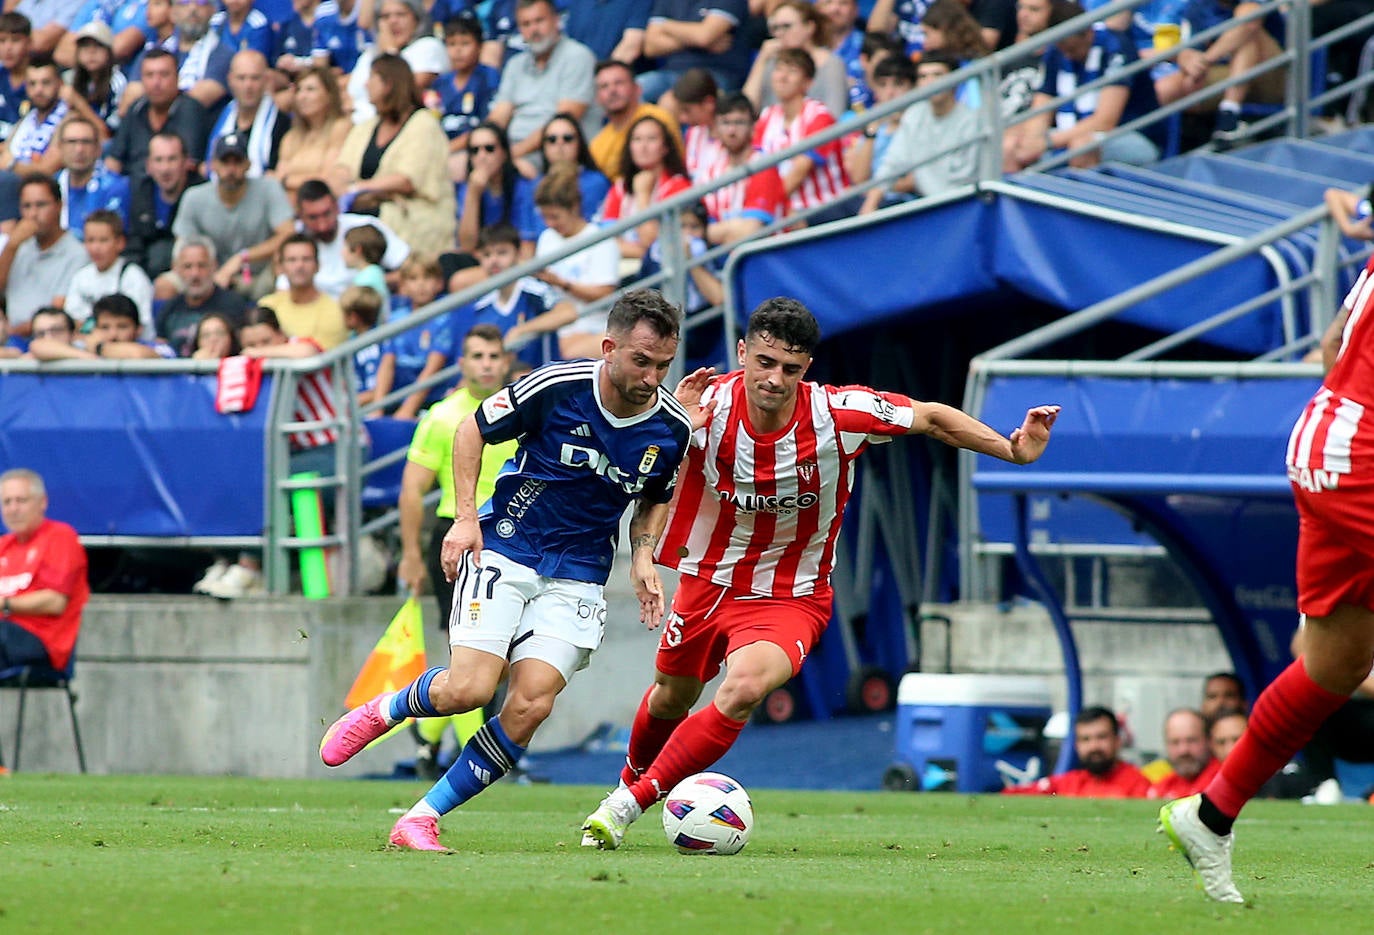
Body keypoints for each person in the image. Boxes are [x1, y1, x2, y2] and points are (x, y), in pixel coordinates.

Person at [580, 297, 1061, 847]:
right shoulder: (701, 406)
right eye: (763, 362)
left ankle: (626, 804)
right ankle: (627, 781)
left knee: (743, 688)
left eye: (790, 368)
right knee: (670, 697)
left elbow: (930, 416)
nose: (774, 379)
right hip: (709, 583)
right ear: (742, 353)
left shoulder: (837, 414)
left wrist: (1012, 448)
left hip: (792, 595)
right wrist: (644, 545)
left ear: (806, 369)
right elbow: (641, 466)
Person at [319, 288, 694, 853]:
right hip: (508, 545)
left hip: (580, 573)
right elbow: (473, 429)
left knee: (530, 703)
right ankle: (390, 707)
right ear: (609, 347)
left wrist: (642, 551)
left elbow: (655, 495)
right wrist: (465, 520)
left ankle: (420, 818)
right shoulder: (557, 386)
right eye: (641, 360)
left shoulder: (671, 427)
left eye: (662, 364)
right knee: (469, 689)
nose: (651, 376)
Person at [1158, 249, 1374, 904]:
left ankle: (1210, 813)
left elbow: (1333, 341)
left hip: (1325, 430)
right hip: (1361, 450)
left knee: (1336, 662)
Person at [396, 321, 514, 777]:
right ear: (462, 364)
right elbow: (411, 490)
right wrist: (409, 553)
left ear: (505, 361)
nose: (486, 364)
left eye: (493, 356)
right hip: (458, 538)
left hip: (512, 538)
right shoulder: (443, 416)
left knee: (500, 661)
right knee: (471, 654)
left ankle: (426, 737)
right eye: (477, 356)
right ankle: (476, 759)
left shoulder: (521, 411)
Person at [203, 304, 343, 598]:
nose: (259, 350)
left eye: (266, 341)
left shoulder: (298, 346)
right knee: (227, 476)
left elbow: (308, 354)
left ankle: (249, 567)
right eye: (251, 344)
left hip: (333, 448)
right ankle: (226, 560)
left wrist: (257, 354)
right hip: (290, 453)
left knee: (263, 482)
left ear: (280, 334)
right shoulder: (249, 364)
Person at [1011, 0, 1163, 170]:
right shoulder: (1056, 51)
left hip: (1133, 136)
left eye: (1073, 49)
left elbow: (1105, 122)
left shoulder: (1116, 47)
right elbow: (1042, 106)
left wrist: (1046, 142)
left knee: (1082, 147)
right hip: (1072, 133)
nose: (1067, 56)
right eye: (1064, 50)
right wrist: (1032, 139)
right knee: (1011, 144)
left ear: (1088, 34)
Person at [332, 53, 456, 254]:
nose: (365, 85)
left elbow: (406, 180)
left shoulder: (423, 125)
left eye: (371, 78)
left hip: (413, 216)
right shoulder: (365, 127)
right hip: (365, 213)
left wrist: (357, 188)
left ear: (389, 84)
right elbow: (341, 168)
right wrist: (344, 186)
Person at [173, 132, 296, 296]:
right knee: (166, 285)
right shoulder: (194, 197)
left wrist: (242, 257)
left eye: (237, 162)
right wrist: (209, 272)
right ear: (213, 165)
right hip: (209, 274)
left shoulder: (269, 189)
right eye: (225, 162)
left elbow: (288, 235)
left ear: (248, 164)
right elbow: (183, 245)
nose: (231, 170)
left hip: (258, 274)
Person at [859, 52, 981, 214]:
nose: (930, 82)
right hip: (920, 203)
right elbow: (893, 162)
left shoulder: (971, 121)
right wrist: (872, 201)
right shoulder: (915, 113)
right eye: (923, 77)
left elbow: (962, 183)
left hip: (957, 209)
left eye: (937, 75)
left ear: (954, 80)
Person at [0, 468, 89, 678]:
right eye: (7, 502)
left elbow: (55, 602)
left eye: (21, 501)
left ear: (42, 502)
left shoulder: (59, 537)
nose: (13, 509)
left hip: (42, 642)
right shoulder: (4, 546)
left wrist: (5, 603)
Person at [485, 0, 595, 166]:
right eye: (526, 24)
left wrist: (509, 157)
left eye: (539, 21)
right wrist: (486, 147)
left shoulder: (577, 56)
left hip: (552, 150)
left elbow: (564, 121)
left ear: (556, 20)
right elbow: (499, 117)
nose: (533, 30)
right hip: (511, 150)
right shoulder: (515, 64)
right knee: (456, 164)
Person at [532, 163, 619, 359]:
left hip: (592, 326)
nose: (550, 223)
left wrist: (562, 283)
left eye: (555, 216)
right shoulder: (547, 238)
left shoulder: (600, 240)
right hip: (555, 321)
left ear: (573, 207)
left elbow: (604, 293)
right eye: (545, 217)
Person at [751, 48, 849, 217]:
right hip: (782, 210)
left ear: (808, 83)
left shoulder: (820, 117)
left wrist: (769, 207)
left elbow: (798, 173)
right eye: (779, 69)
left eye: (792, 71)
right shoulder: (767, 116)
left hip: (823, 207)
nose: (783, 77)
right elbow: (759, 168)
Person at [1173, 0, 1287, 143]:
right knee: (1174, 84)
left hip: (1273, 77)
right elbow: (1194, 50)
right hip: (1229, 74)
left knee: (1248, 33)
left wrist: (1206, 60)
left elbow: (1249, 24)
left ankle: (1228, 115)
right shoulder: (1198, 6)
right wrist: (1187, 60)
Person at [464, 221, 574, 369]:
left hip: (543, 382)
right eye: (487, 255)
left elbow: (569, 313)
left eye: (502, 252)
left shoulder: (535, 291)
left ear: (518, 253)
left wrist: (522, 330)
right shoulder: (481, 306)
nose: (494, 260)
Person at [105, 48, 210, 187]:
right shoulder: (136, 109)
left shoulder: (191, 110)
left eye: (164, 75)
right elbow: (113, 161)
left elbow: (188, 165)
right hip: (134, 191)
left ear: (178, 78)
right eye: (150, 75)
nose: (156, 82)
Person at [289, 179, 410, 298]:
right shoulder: (293, 240)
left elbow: (410, 267)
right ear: (300, 216)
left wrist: (371, 282)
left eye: (327, 214)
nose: (322, 226)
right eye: (313, 217)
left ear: (337, 207)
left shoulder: (364, 227)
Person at [0, 174, 87, 336]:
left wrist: (11, 332)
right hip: (12, 340)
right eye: (27, 206)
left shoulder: (76, 253)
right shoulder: (18, 246)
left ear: (59, 206)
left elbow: (57, 310)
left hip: (49, 338)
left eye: (41, 205)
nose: (33, 214)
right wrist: (11, 247)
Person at [598, 114, 691, 262]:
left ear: (665, 147)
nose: (643, 146)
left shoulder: (679, 187)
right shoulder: (620, 187)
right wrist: (640, 252)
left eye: (652, 139)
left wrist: (643, 195)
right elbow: (604, 240)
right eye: (637, 139)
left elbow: (653, 242)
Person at [697, 93, 786, 247]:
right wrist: (726, 230)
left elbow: (751, 231)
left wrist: (710, 233)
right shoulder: (709, 174)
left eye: (739, 122)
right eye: (725, 123)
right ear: (716, 128)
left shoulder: (763, 166)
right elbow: (696, 229)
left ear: (753, 126)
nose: (732, 131)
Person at [1002, 706, 1151, 797]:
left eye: (1101, 737)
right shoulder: (1068, 783)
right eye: (1085, 739)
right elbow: (1011, 796)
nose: (1094, 746)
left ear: (1117, 741)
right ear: (1076, 745)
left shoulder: (1139, 784)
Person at [372, 252, 450, 418]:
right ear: (404, 285)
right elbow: (387, 364)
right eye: (413, 279)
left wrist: (408, 409)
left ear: (439, 283)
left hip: (432, 401)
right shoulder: (396, 318)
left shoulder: (444, 318)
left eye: (427, 278)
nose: (421, 285)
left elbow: (432, 368)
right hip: (397, 397)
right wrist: (377, 408)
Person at [742, 0, 849, 121]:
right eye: (775, 28)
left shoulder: (832, 64)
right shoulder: (772, 61)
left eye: (786, 26)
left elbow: (834, 114)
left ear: (809, 27)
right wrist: (762, 59)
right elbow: (745, 109)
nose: (780, 33)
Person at [347, 0, 447, 125]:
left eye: (401, 14)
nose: (393, 21)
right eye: (385, 16)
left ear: (416, 18)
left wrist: (389, 51)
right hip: (358, 126)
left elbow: (401, 91)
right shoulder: (369, 54)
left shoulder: (428, 46)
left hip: (400, 126)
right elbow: (350, 94)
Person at [429, 14, 500, 184]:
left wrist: (448, 149)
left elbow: (488, 124)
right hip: (440, 148)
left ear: (480, 47)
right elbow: (431, 120)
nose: (458, 50)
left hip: (473, 149)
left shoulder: (489, 78)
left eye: (465, 43)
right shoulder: (439, 84)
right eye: (452, 44)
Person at [638, 0, 750, 105]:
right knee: (631, 91)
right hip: (671, 73)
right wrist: (696, 38)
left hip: (714, 74)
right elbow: (650, 48)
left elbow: (704, 36)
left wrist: (664, 25)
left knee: (670, 102)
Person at [125, 130, 202, 281]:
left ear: (186, 162)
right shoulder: (140, 192)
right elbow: (134, 244)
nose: (165, 168)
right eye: (158, 160)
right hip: (145, 274)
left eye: (172, 159)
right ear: (148, 165)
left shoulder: (199, 193)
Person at [587, 58, 681, 182]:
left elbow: (677, 165)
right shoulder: (597, 146)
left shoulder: (658, 118)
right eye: (604, 86)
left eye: (619, 83)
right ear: (598, 97)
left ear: (637, 88)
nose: (612, 90)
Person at [64, 210, 156, 335]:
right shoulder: (80, 277)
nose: (96, 248)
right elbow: (71, 321)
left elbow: (140, 326)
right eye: (90, 240)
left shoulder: (133, 277)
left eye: (103, 240)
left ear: (120, 243)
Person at [156, 235, 251, 356]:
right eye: (187, 266)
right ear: (175, 268)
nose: (195, 274)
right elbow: (161, 352)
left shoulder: (234, 305)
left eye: (201, 266)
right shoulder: (168, 309)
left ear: (214, 266)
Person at [272, 64, 350, 200]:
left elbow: (328, 180)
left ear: (329, 95)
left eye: (310, 89)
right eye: (299, 90)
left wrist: (286, 181)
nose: (302, 96)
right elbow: (277, 181)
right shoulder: (291, 137)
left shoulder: (340, 127)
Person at [206, 50, 289, 178]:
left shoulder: (282, 124)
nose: (248, 85)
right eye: (241, 78)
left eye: (254, 78)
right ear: (230, 80)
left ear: (266, 80)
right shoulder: (216, 118)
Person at [258, 233, 348, 348]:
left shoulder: (334, 310)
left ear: (318, 265)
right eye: (292, 260)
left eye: (306, 259)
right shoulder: (267, 305)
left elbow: (319, 358)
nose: (299, 265)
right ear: (280, 267)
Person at [525, 112, 609, 233]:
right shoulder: (534, 185)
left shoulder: (596, 182)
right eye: (552, 139)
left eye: (567, 138)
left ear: (579, 143)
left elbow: (594, 228)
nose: (560, 144)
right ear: (543, 146)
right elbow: (528, 238)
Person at [29, 293, 173, 360]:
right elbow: (39, 346)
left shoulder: (158, 348)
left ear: (138, 329)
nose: (113, 334)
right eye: (105, 327)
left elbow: (138, 355)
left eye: (122, 327)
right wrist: (85, 356)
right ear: (95, 329)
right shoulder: (85, 348)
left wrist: (99, 348)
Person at [845, 54, 916, 191]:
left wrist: (875, 191)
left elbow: (914, 182)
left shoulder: (919, 123)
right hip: (872, 200)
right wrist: (872, 131)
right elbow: (859, 178)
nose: (890, 92)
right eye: (883, 85)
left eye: (898, 84)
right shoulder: (875, 127)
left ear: (912, 87)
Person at [55, 114, 130, 239]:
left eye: (86, 142)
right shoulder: (51, 185)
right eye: (71, 142)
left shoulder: (115, 187)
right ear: (60, 148)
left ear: (98, 149)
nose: (79, 149)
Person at [61, 23, 126, 138]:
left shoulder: (117, 82)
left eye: (98, 46)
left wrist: (78, 102)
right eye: (85, 46)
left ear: (109, 51)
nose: (91, 52)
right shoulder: (72, 79)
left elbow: (107, 134)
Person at [1147, 708, 1219, 799]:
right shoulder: (1161, 789)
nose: (1183, 750)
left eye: (1191, 740)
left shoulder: (1225, 782)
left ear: (1209, 741)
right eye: (1175, 742)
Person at [673, 68, 724, 186]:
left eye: (687, 110)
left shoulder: (732, 136)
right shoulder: (692, 133)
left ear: (708, 103)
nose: (682, 118)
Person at [0, 13, 32, 145]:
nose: (8, 48)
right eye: (2, 41)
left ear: (29, 43)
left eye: (15, 40)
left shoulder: (40, 82)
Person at [342, 222, 389, 304]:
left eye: (345, 246)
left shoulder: (367, 280)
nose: (342, 252)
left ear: (357, 250)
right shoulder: (374, 273)